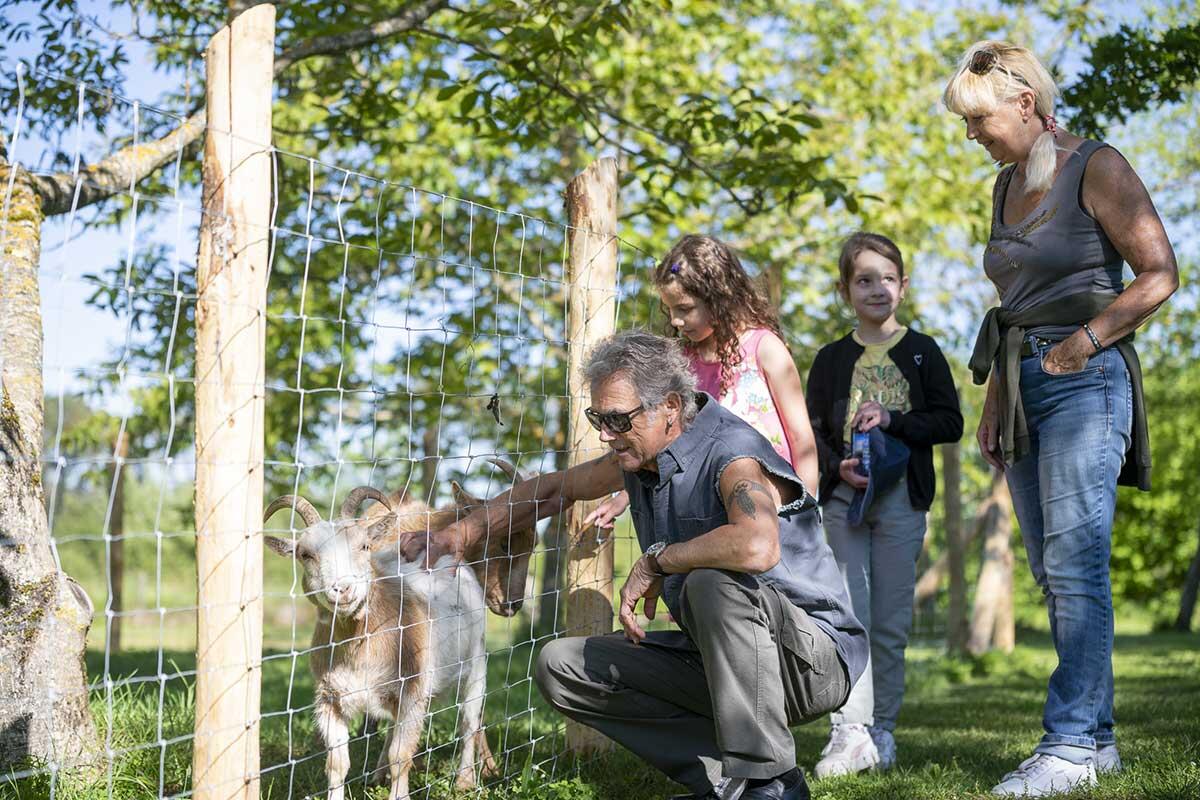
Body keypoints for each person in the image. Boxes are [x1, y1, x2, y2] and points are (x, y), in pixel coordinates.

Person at [396, 330, 868, 800]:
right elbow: (554, 489)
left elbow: (757, 546)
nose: (605, 434)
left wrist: (656, 562)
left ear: (669, 406)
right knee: (563, 665)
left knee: (711, 583)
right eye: (598, 418)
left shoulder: (732, 453)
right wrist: (460, 533)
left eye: (618, 420)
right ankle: (726, 782)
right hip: (725, 660)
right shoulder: (639, 456)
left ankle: (771, 782)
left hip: (812, 661)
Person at [944, 40, 1178, 797]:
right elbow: (1011, 308)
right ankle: (1098, 740)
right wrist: (995, 399)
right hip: (1022, 384)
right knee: (1053, 572)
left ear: (1025, 103)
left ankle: (1069, 745)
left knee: (1076, 570)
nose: (972, 134)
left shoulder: (1096, 166)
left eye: (980, 119)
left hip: (1086, 383)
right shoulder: (1005, 183)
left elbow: (1160, 274)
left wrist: (1084, 343)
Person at [805, 232, 963, 776]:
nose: (877, 289)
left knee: (891, 620)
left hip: (903, 501)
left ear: (904, 286)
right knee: (848, 617)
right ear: (846, 289)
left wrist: (894, 420)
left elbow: (950, 421)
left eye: (887, 278)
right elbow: (813, 433)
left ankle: (882, 731)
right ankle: (848, 731)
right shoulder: (829, 360)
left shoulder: (923, 352)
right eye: (864, 279)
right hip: (845, 501)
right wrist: (836, 467)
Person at [584, 234, 818, 532]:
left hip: (771, 508)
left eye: (684, 308)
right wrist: (623, 498)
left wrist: (805, 511)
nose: (676, 320)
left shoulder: (765, 347)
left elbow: (801, 439)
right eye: (670, 310)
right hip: (703, 506)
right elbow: (663, 444)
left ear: (718, 297)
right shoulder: (681, 362)